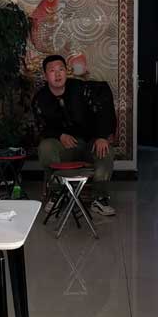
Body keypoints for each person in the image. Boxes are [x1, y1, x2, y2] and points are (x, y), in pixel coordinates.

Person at [33, 54, 117, 217]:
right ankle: (56, 194)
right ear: (45, 75)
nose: (58, 74)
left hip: (91, 142)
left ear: (67, 71)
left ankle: (99, 199)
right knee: (46, 147)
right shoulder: (40, 99)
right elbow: (41, 127)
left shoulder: (81, 89)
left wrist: (102, 136)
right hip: (66, 147)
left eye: (61, 69)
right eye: (52, 71)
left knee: (106, 151)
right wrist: (60, 135)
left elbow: (103, 110)